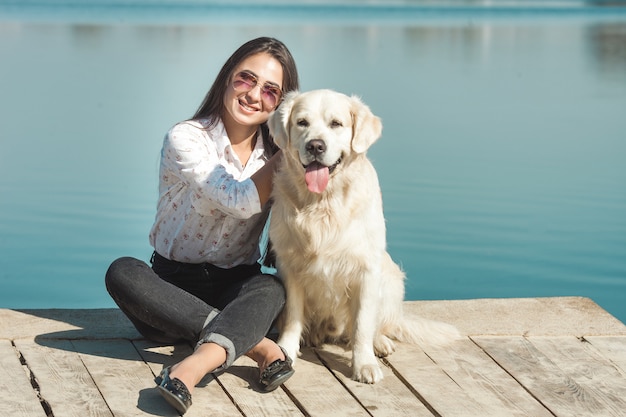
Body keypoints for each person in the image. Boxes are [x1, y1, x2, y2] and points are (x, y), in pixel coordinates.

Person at [105, 36, 299, 415]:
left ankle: (190, 368)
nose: (254, 95)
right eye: (246, 79)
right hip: (168, 291)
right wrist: (291, 151)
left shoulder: (276, 154)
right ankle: (256, 345)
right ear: (227, 78)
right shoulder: (186, 138)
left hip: (235, 284)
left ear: (281, 104)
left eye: (271, 91)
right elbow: (239, 200)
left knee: (270, 286)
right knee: (122, 272)